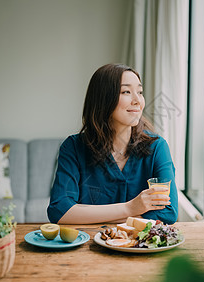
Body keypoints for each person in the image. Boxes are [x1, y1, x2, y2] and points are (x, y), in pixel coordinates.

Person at [47, 63, 178, 224]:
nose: (138, 101)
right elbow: (59, 210)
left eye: (140, 92)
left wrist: (87, 216)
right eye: (126, 92)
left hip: (140, 247)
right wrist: (130, 208)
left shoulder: (157, 147)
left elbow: (168, 213)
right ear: (103, 98)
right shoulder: (73, 147)